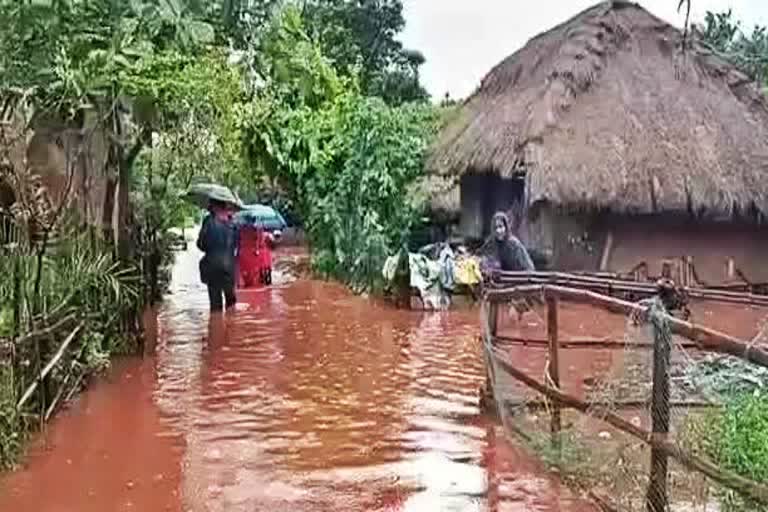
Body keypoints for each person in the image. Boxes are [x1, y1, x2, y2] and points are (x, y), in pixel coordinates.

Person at [197, 199, 238, 312]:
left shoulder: (208, 221)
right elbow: (235, 245)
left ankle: (216, 327)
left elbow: (200, 245)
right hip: (229, 267)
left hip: (212, 267)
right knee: (231, 302)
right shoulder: (233, 223)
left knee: (215, 306)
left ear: (214, 207)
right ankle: (232, 327)